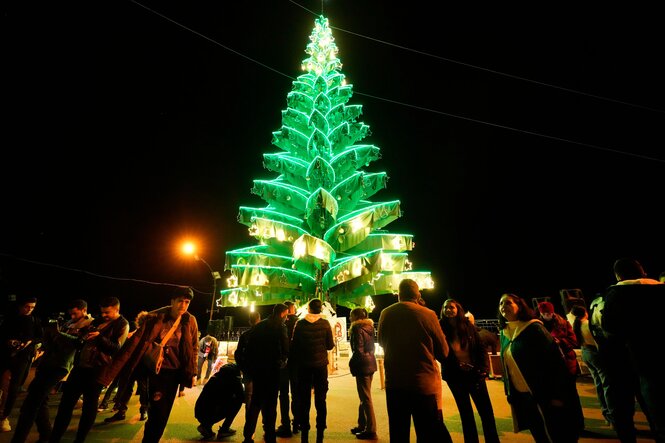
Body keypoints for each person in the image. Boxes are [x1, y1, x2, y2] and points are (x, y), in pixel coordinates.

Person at [96, 286, 198, 443]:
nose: (183, 306)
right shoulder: (155, 318)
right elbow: (134, 345)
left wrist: (193, 373)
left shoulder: (190, 320)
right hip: (156, 373)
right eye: (180, 301)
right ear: (172, 301)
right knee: (157, 412)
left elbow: (194, 347)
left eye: (187, 302)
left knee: (162, 414)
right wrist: (109, 375)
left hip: (174, 374)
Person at [377, 279, 453, 443]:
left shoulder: (385, 313)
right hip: (423, 385)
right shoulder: (428, 314)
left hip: (395, 384)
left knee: (398, 433)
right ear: (418, 295)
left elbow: (381, 341)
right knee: (426, 433)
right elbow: (444, 352)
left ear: (399, 295)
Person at [598, 257, 665, 442]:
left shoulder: (616, 293)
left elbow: (609, 328)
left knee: (625, 410)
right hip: (658, 359)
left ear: (618, 275)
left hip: (631, 361)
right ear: (642, 270)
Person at [498, 292, 580, 442]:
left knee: (557, 435)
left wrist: (557, 395)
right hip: (523, 398)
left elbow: (555, 363)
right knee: (539, 435)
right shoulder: (504, 334)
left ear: (520, 306)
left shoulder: (534, 329)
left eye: (508, 302)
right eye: (501, 304)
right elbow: (507, 368)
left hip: (544, 395)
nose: (503, 306)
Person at [9, 299, 92, 443]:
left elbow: (78, 343)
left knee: (32, 403)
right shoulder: (67, 323)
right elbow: (52, 342)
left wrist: (58, 333)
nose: (72, 316)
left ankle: (19, 439)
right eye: (70, 313)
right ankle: (46, 434)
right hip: (48, 363)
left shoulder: (90, 324)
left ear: (84, 310)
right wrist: (48, 334)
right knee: (40, 400)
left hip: (61, 366)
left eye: (75, 313)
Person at [49, 296, 129, 443]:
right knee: (65, 405)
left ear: (117, 310)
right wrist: (70, 336)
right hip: (80, 367)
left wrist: (99, 337)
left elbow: (116, 349)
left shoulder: (122, 324)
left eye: (107, 312)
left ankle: (79, 439)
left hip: (98, 371)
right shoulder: (97, 320)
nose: (104, 315)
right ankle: (55, 437)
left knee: (89, 408)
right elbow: (82, 341)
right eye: (102, 312)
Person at [439, 299, 500, 443]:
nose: (448, 310)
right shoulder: (440, 328)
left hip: (475, 373)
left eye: (451, 307)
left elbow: (480, 347)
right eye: (445, 307)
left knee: (486, 412)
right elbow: (439, 352)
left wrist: (484, 370)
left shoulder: (467, 326)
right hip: (455, 376)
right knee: (465, 413)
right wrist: (456, 365)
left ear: (458, 309)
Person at [241, 304, 289, 443]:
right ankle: (269, 434)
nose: (286, 317)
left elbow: (249, 348)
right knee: (271, 404)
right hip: (273, 370)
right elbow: (286, 347)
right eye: (286, 315)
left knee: (255, 402)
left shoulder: (259, 326)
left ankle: (248, 435)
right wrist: (283, 360)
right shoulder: (280, 327)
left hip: (258, 370)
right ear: (281, 314)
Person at [290, 298, 335, 443]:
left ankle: (304, 427)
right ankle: (320, 427)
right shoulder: (325, 323)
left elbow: (294, 345)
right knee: (321, 399)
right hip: (321, 366)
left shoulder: (300, 324)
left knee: (304, 399)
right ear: (320, 309)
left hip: (303, 367)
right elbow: (329, 346)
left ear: (308, 309)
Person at [537, 300, 585, 434]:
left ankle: (578, 424)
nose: (547, 314)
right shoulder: (536, 325)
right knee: (556, 398)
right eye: (544, 313)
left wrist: (560, 341)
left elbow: (574, 341)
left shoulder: (563, 322)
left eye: (549, 312)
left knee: (572, 396)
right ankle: (564, 425)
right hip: (549, 368)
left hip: (567, 365)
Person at [0, 295, 43, 433]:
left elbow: (40, 336)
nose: (29, 310)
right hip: (6, 356)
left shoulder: (35, 320)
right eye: (27, 306)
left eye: (32, 307)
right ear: (20, 306)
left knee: (14, 388)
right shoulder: (9, 318)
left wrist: (31, 342)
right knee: (3, 385)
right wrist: (9, 341)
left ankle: (4, 417)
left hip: (23, 357)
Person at [103, 310, 150, 423]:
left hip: (142, 366)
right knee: (126, 388)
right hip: (131, 365)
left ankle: (143, 410)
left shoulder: (149, 336)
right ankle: (122, 411)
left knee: (142, 389)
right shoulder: (134, 334)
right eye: (142, 321)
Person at [570, 304, 610, 426]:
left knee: (598, 383)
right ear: (585, 313)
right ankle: (610, 414)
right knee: (606, 384)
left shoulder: (575, 325)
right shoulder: (588, 324)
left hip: (585, 353)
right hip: (594, 353)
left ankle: (605, 413)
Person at [348, 307, 378, 440]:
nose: (349, 318)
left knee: (366, 398)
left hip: (362, 365)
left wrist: (352, 363)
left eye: (351, 316)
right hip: (371, 362)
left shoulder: (356, 328)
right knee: (364, 395)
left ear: (356, 317)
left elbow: (358, 350)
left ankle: (371, 429)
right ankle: (362, 424)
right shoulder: (370, 327)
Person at [195, 362, 244, 440]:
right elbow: (242, 396)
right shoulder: (234, 378)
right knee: (237, 402)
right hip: (209, 413)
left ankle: (206, 426)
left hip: (199, 411)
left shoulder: (217, 376)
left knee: (217, 401)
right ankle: (223, 429)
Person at [276, 301, 299, 437]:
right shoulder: (299, 324)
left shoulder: (279, 324)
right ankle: (297, 423)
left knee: (283, 394)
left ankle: (285, 425)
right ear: (292, 309)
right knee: (296, 394)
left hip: (283, 365)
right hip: (296, 364)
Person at [234, 311, 261, 417]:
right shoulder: (264, 334)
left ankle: (249, 420)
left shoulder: (245, 335)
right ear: (259, 319)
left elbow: (238, 353)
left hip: (248, 369)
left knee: (248, 395)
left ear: (249, 321)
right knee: (260, 394)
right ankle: (259, 421)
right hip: (261, 370)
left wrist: (241, 367)